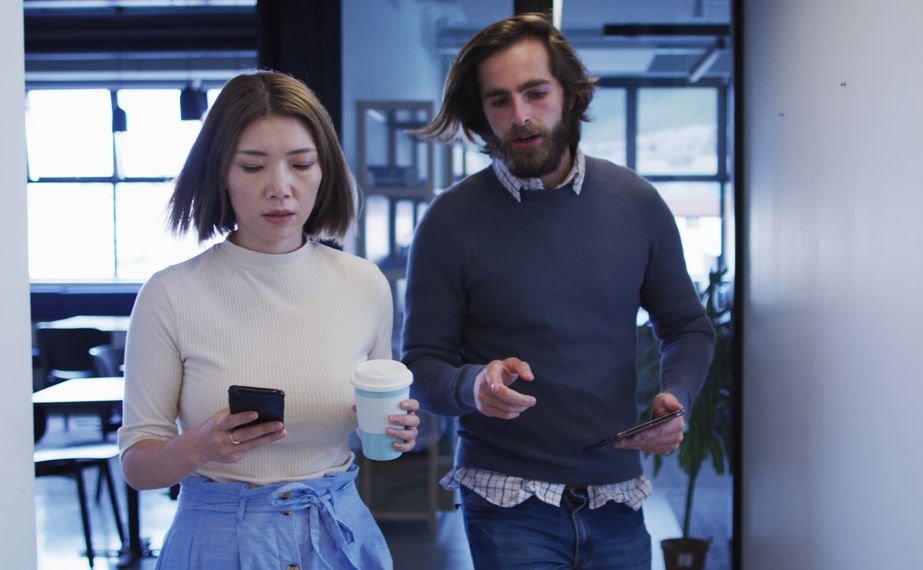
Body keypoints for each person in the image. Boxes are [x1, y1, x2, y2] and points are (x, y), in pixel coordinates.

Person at [403, 13, 715, 569]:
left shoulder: (635, 203)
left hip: (616, 494)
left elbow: (687, 327)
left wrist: (677, 399)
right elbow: (422, 366)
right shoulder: (450, 220)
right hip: (506, 498)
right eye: (499, 101)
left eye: (535, 93)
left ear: (570, 95)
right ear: (482, 115)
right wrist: (473, 385)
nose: (520, 116)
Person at [117, 70, 418, 570]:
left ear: (325, 171)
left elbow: (372, 425)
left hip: (338, 534)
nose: (281, 188)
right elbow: (138, 466)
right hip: (216, 539)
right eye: (253, 167)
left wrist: (393, 428)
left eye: (301, 164)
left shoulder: (364, 284)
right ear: (219, 174)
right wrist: (195, 448)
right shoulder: (170, 293)